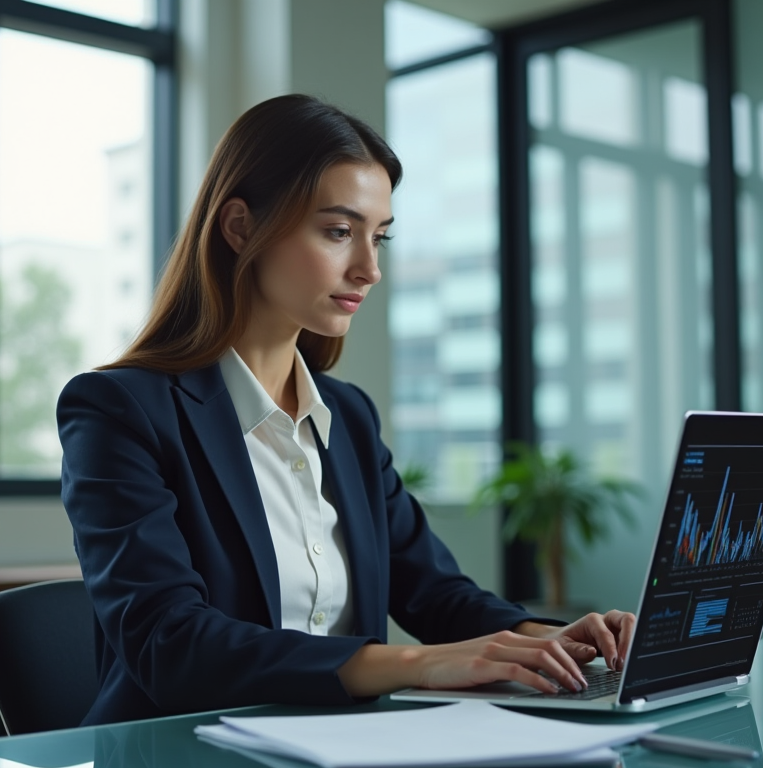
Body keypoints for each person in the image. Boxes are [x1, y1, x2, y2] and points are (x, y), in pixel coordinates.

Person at [57, 94, 636, 727]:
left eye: (379, 237)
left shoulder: (349, 417)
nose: (369, 268)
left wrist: (555, 638)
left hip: (332, 759)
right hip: (172, 767)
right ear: (240, 227)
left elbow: (435, 592)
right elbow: (170, 645)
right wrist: (418, 664)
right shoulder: (121, 409)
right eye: (338, 232)